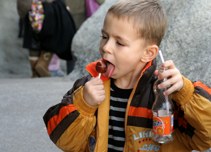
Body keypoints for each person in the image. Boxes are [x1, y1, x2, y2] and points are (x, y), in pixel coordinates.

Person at [43, 0, 211, 151]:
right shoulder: (88, 88)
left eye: (119, 43)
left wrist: (186, 94)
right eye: (104, 37)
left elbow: (205, 139)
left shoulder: (167, 92)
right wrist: (84, 105)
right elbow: (64, 140)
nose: (106, 47)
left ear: (148, 53)